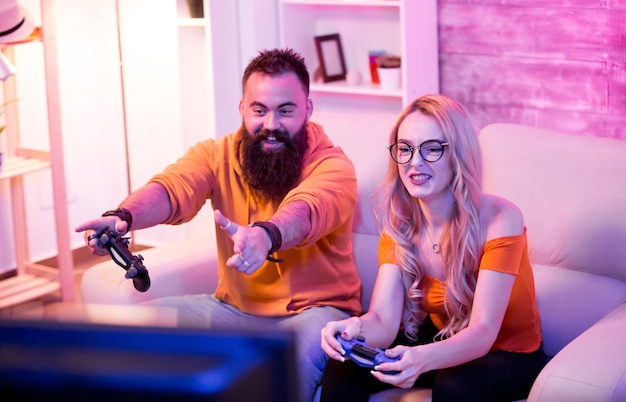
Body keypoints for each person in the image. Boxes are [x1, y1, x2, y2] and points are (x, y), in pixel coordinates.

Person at [75, 48, 362, 402]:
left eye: (285, 110)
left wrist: (265, 235)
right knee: (132, 337)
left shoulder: (334, 166)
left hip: (318, 314)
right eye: (259, 110)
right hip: (229, 310)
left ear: (308, 109)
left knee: (276, 370)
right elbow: (172, 187)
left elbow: (307, 210)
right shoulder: (215, 154)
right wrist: (123, 217)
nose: (271, 124)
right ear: (242, 108)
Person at [319, 94, 547, 402]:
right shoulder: (399, 222)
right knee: (345, 365)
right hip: (442, 335)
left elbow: (483, 330)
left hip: (508, 352)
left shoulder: (500, 219)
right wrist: (353, 328)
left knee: (455, 386)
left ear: (458, 154)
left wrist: (423, 358)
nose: (415, 163)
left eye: (432, 149)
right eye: (406, 149)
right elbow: (384, 321)